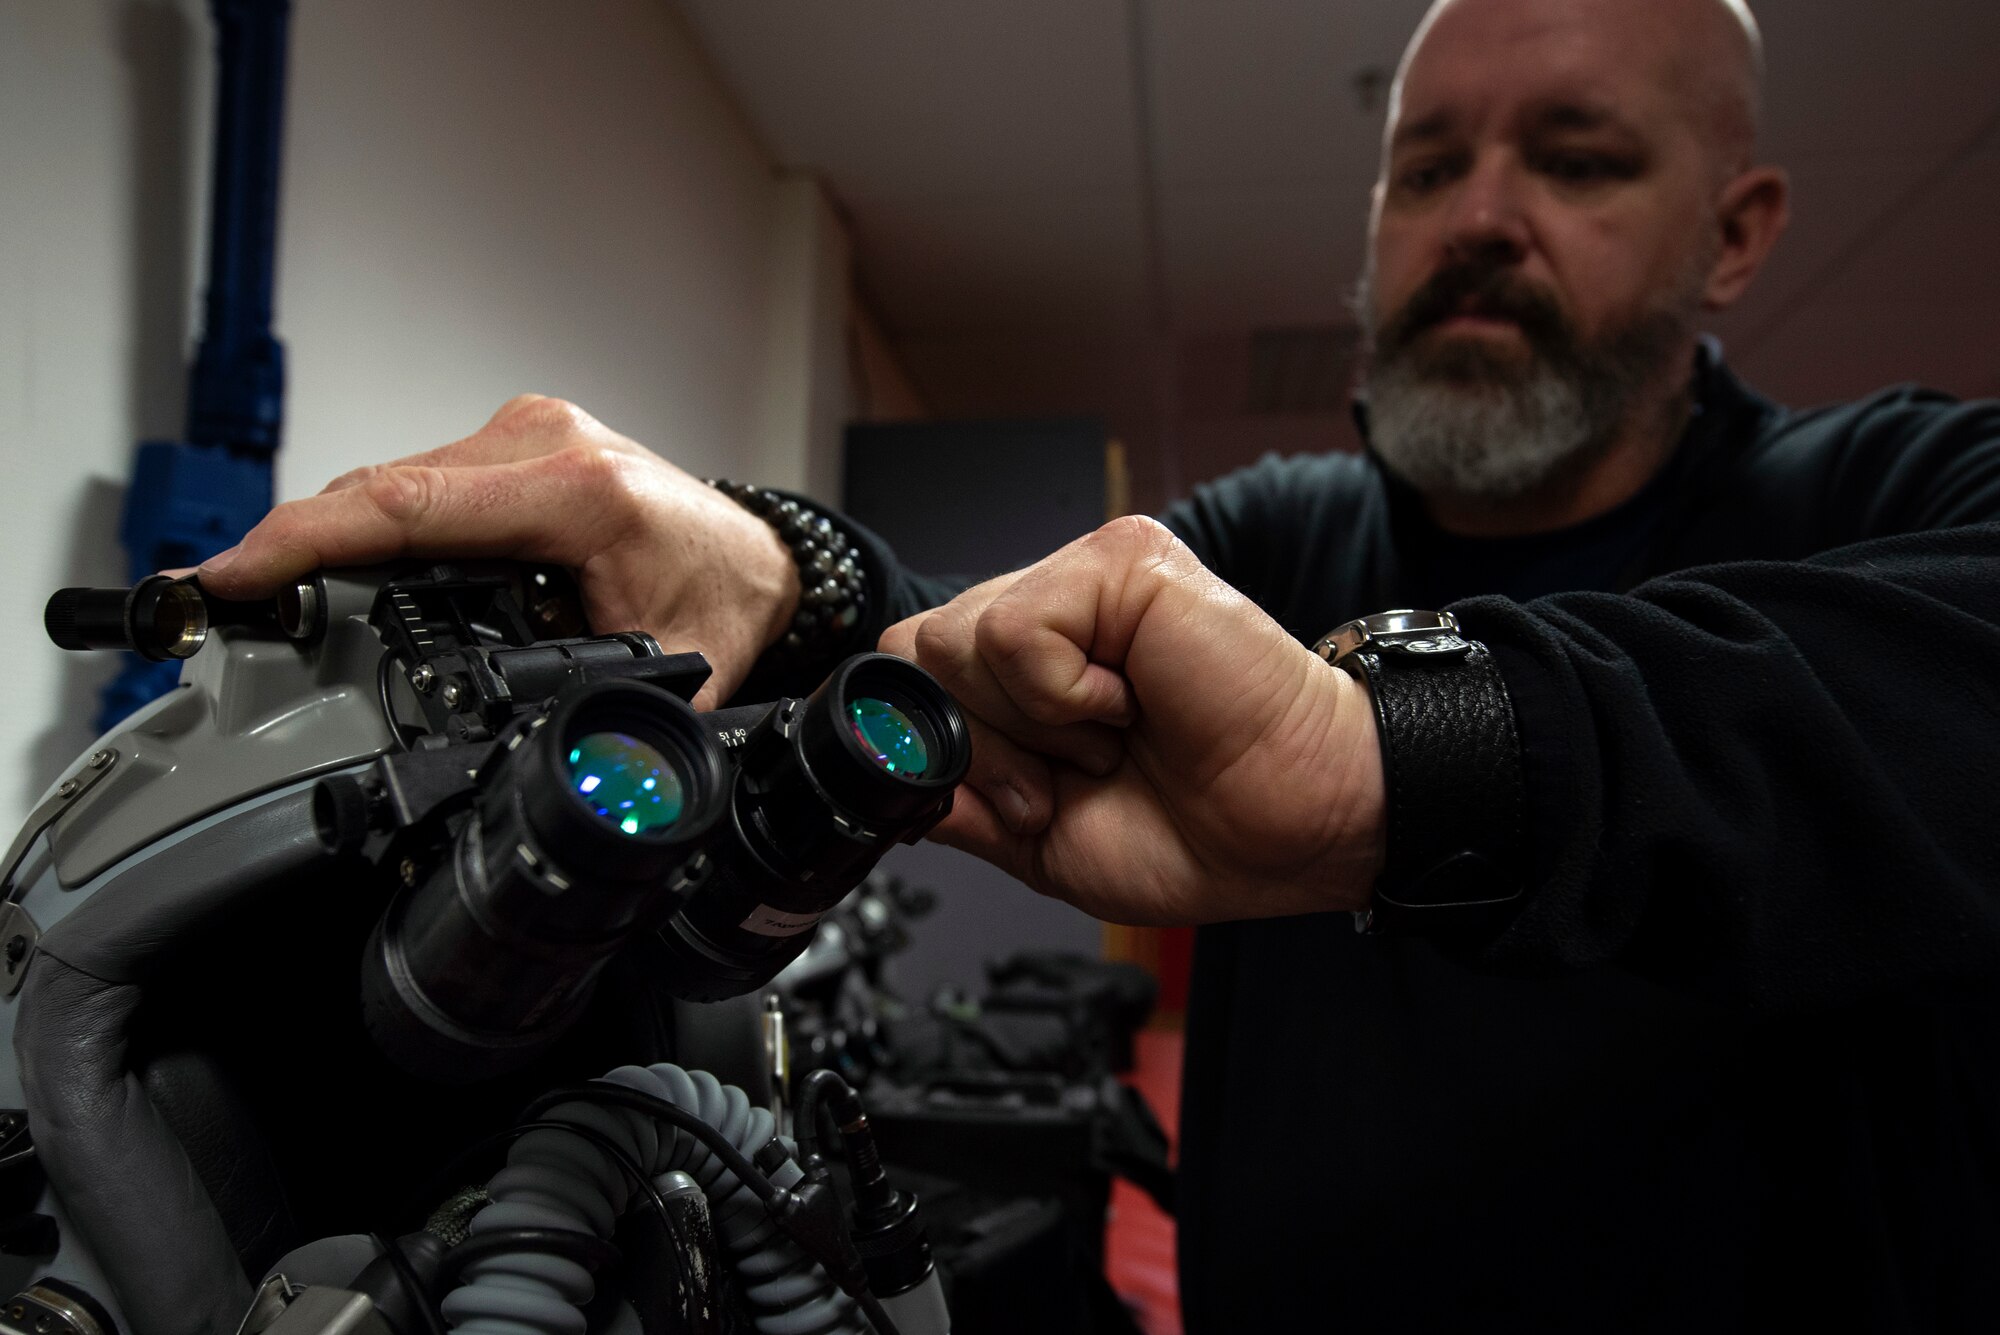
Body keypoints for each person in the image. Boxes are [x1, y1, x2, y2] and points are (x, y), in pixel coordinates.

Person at [198, 0, 2000, 1327]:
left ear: (1740, 228)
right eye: (1428, 166)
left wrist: (1411, 749)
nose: (1480, 216)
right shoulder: (1296, 530)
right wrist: (775, 560)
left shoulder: (1885, 496)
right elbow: (1002, 632)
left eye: (1580, 159)